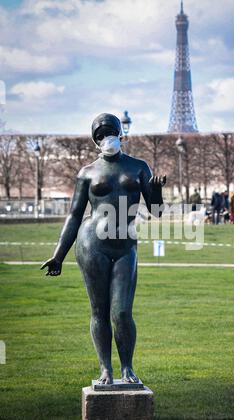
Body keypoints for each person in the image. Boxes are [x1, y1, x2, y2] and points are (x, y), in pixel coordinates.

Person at [41, 113, 166, 385]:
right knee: (99, 311)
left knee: (121, 312)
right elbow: (74, 215)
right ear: (95, 141)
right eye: (100, 135)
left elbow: (156, 212)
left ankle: (127, 368)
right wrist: (58, 255)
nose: (105, 138)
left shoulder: (139, 167)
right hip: (92, 244)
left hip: (124, 245)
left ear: (121, 134)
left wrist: (157, 193)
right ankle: (105, 369)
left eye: (110, 133)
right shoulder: (87, 172)